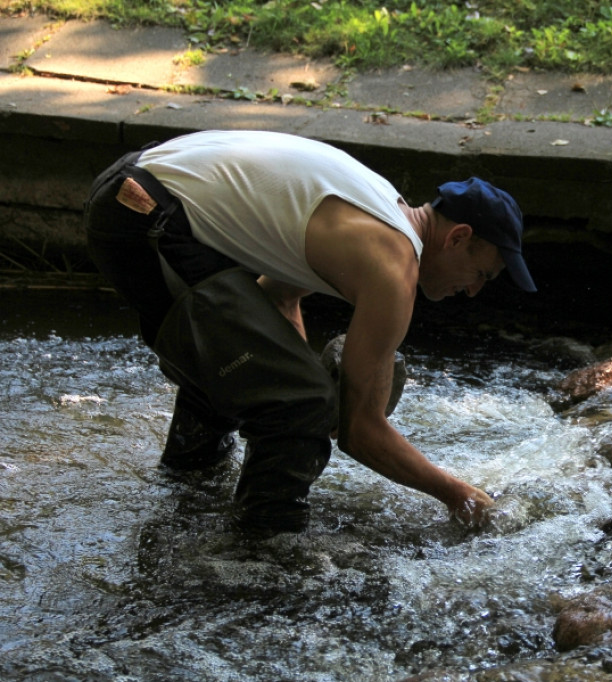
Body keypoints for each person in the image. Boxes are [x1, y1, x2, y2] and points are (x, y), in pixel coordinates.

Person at [84, 129, 536, 533]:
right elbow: (361, 433)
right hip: (144, 212)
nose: (473, 291)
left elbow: (278, 299)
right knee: (303, 402)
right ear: (458, 237)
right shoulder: (394, 267)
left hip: (137, 187)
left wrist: (287, 380)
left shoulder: (378, 211)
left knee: (254, 370)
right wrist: (460, 496)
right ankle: (259, 553)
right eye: (482, 274)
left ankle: (185, 484)